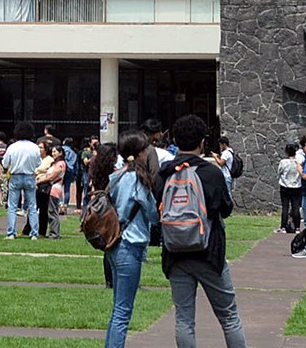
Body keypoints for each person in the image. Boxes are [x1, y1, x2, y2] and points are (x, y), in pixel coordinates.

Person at [154, 115, 247, 348]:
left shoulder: (164, 173)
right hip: (209, 253)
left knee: (184, 319)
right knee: (229, 317)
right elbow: (225, 209)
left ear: (175, 139)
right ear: (203, 142)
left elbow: (157, 209)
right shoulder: (211, 173)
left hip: (175, 254)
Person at [100, 132, 159, 348]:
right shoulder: (137, 180)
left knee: (118, 309)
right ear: (138, 154)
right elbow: (153, 213)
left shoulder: (117, 177)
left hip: (114, 244)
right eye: (145, 150)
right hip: (130, 246)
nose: (147, 153)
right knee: (123, 311)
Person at [2, 122, 42, 239]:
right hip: (29, 176)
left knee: (12, 206)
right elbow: (38, 163)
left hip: (15, 176)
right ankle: (34, 233)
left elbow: (5, 163)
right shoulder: (34, 147)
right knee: (32, 206)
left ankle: (11, 233)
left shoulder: (12, 147)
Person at [37, 139, 67, 238]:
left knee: (52, 212)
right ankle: (53, 233)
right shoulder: (55, 163)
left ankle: (54, 233)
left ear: (60, 153)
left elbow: (52, 177)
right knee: (50, 211)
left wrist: (39, 181)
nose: (53, 153)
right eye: (53, 151)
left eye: (55, 151)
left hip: (54, 190)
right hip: (51, 190)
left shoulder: (60, 164)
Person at [277, 142, 303, 235]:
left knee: (285, 207)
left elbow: (279, 172)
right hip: (296, 187)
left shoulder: (283, 162)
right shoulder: (298, 162)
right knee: (296, 207)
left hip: (284, 186)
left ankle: (283, 227)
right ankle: (297, 227)